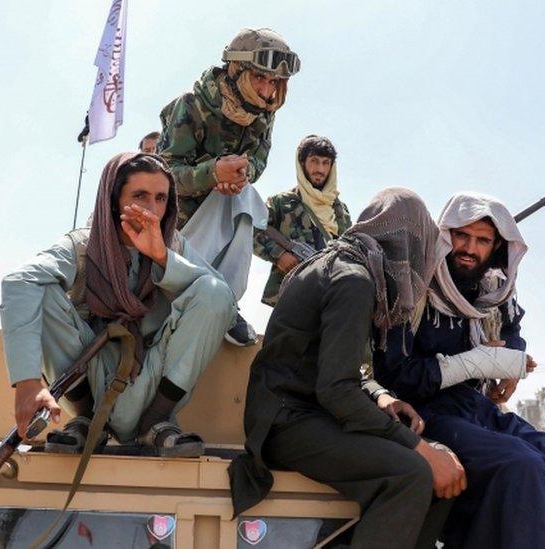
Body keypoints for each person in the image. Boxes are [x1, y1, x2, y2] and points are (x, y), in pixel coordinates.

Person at [372, 192, 545, 549]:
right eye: (462, 236)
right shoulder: (414, 286)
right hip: (426, 412)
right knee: (523, 466)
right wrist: (475, 361)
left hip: (480, 410)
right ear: (445, 236)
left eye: (483, 241)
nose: (470, 248)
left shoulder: (494, 288)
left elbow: (512, 333)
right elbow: (397, 373)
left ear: (495, 246)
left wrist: (510, 363)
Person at [230, 188, 466, 548]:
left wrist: (381, 396)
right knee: (412, 473)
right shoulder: (354, 280)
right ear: (407, 242)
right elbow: (336, 391)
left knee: (442, 467)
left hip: (305, 414)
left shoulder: (345, 265)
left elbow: (337, 368)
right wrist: (418, 447)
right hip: (285, 422)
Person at [0, 152, 236, 457]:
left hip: (153, 376)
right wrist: (28, 383)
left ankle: (157, 423)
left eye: (161, 198)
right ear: (114, 200)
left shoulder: (173, 245)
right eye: (140, 196)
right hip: (90, 373)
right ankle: (84, 422)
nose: (152, 209)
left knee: (213, 291)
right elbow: (19, 282)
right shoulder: (83, 246)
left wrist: (162, 258)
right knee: (40, 288)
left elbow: (224, 302)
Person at [157, 27, 300, 346]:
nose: (266, 89)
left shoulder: (263, 113)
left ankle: (225, 302)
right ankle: (201, 293)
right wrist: (213, 173)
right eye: (259, 78)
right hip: (176, 233)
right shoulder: (192, 106)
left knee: (246, 198)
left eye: (274, 82)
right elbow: (162, 177)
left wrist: (242, 172)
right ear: (237, 70)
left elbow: (259, 159)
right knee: (244, 198)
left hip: (221, 219)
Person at [253, 135, 351, 306]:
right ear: (302, 163)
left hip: (331, 299)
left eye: (325, 163)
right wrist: (280, 255)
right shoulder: (281, 203)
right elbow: (252, 229)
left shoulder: (340, 211)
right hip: (291, 296)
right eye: (314, 161)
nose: (320, 169)